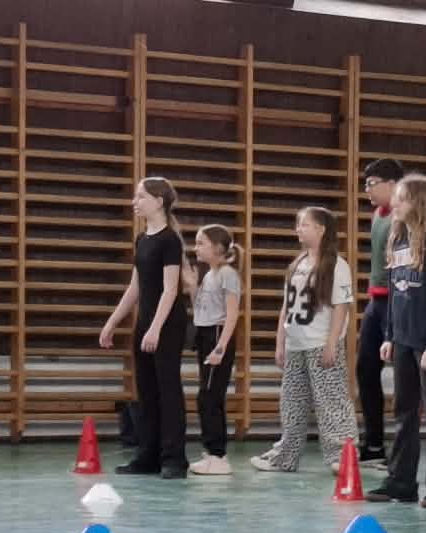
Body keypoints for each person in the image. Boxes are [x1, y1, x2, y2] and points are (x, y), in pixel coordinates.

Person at [368, 174, 426, 508]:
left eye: (403, 198)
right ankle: (401, 481)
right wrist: (390, 336)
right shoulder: (398, 239)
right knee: (403, 411)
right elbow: (395, 294)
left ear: (419, 202)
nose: (395, 203)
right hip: (403, 340)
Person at [252, 207, 356, 474]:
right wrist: (280, 342)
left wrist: (332, 343)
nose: (298, 229)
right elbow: (286, 307)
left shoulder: (337, 266)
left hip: (320, 343)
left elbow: (341, 307)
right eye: (298, 224)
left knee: (331, 401)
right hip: (295, 344)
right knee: (292, 404)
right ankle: (285, 457)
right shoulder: (297, 264)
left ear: (321, 229)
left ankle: (342, 456)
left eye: (304, 225)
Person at [99, 176, 190, 479]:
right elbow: (135, 287)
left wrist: (156, 328)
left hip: (167, 324)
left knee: (168, 390)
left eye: (140, 197)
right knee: (147, 390)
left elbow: (170, 289)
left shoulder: (169, 240)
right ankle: (148, 456)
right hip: (146, 323)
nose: (134, 202)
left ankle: (174, 459)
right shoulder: (142, 239)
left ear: (158, 202)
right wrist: (112, 322)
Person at [355, 158, 406, 464]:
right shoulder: (377, 215)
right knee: (365, 369)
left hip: (397, 301)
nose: (368, 190)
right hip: (375, 302)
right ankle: (374, 444)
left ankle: (402, 449)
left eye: (372, 184)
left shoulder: (403, 218)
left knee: (404, 375)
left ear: (393, 184)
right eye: (366, 184)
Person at [186, 224, 243, 476]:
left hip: (218, 335)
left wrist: (220, 347)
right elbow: (200, 309)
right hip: (205, 334)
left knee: (209, 397)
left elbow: (232, 314)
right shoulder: (209, 274)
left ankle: (217, 455)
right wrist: (192, 287)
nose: (196, 247)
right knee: (207, 396)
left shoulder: (227, 274)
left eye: (201, 243)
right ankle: (212, 453)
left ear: (218, 247)